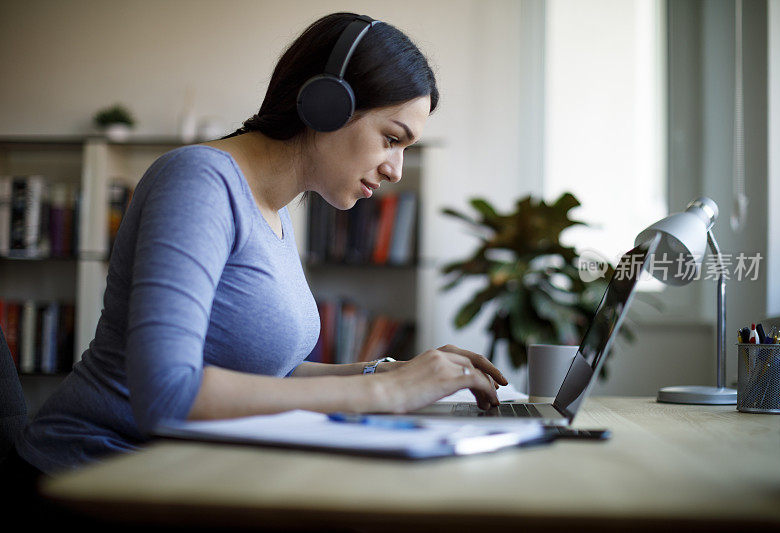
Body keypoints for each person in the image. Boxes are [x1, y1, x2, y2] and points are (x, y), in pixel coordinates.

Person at [10, 12, 506, 481]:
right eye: (392, 139)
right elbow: (167, 394)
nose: (395, 170)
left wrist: (394, 371)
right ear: (329, 104)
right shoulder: (199, 180)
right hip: (91, 473)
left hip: (177, 473)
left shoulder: (275, 210)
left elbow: (268, 373)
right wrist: (381, 391)